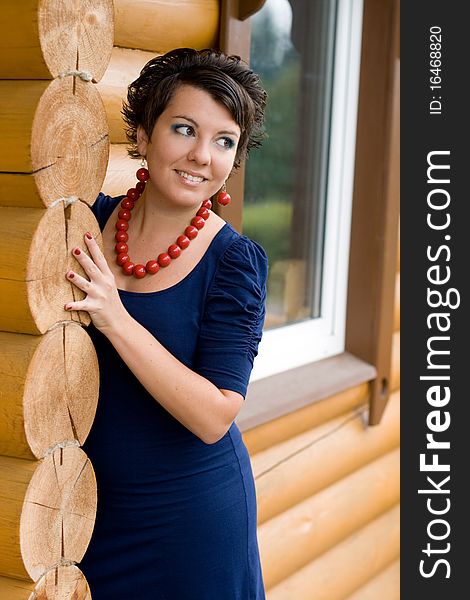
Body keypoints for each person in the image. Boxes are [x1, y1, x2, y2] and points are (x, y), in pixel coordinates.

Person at [65, 48, 268, 599]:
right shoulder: (84, 221)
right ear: (142, 132)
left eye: (224, 141)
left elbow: (214, 416)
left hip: (190, 525)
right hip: (87, 515)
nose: (202, 155)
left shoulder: (233, 263)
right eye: (184, 129)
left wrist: (115, 318)